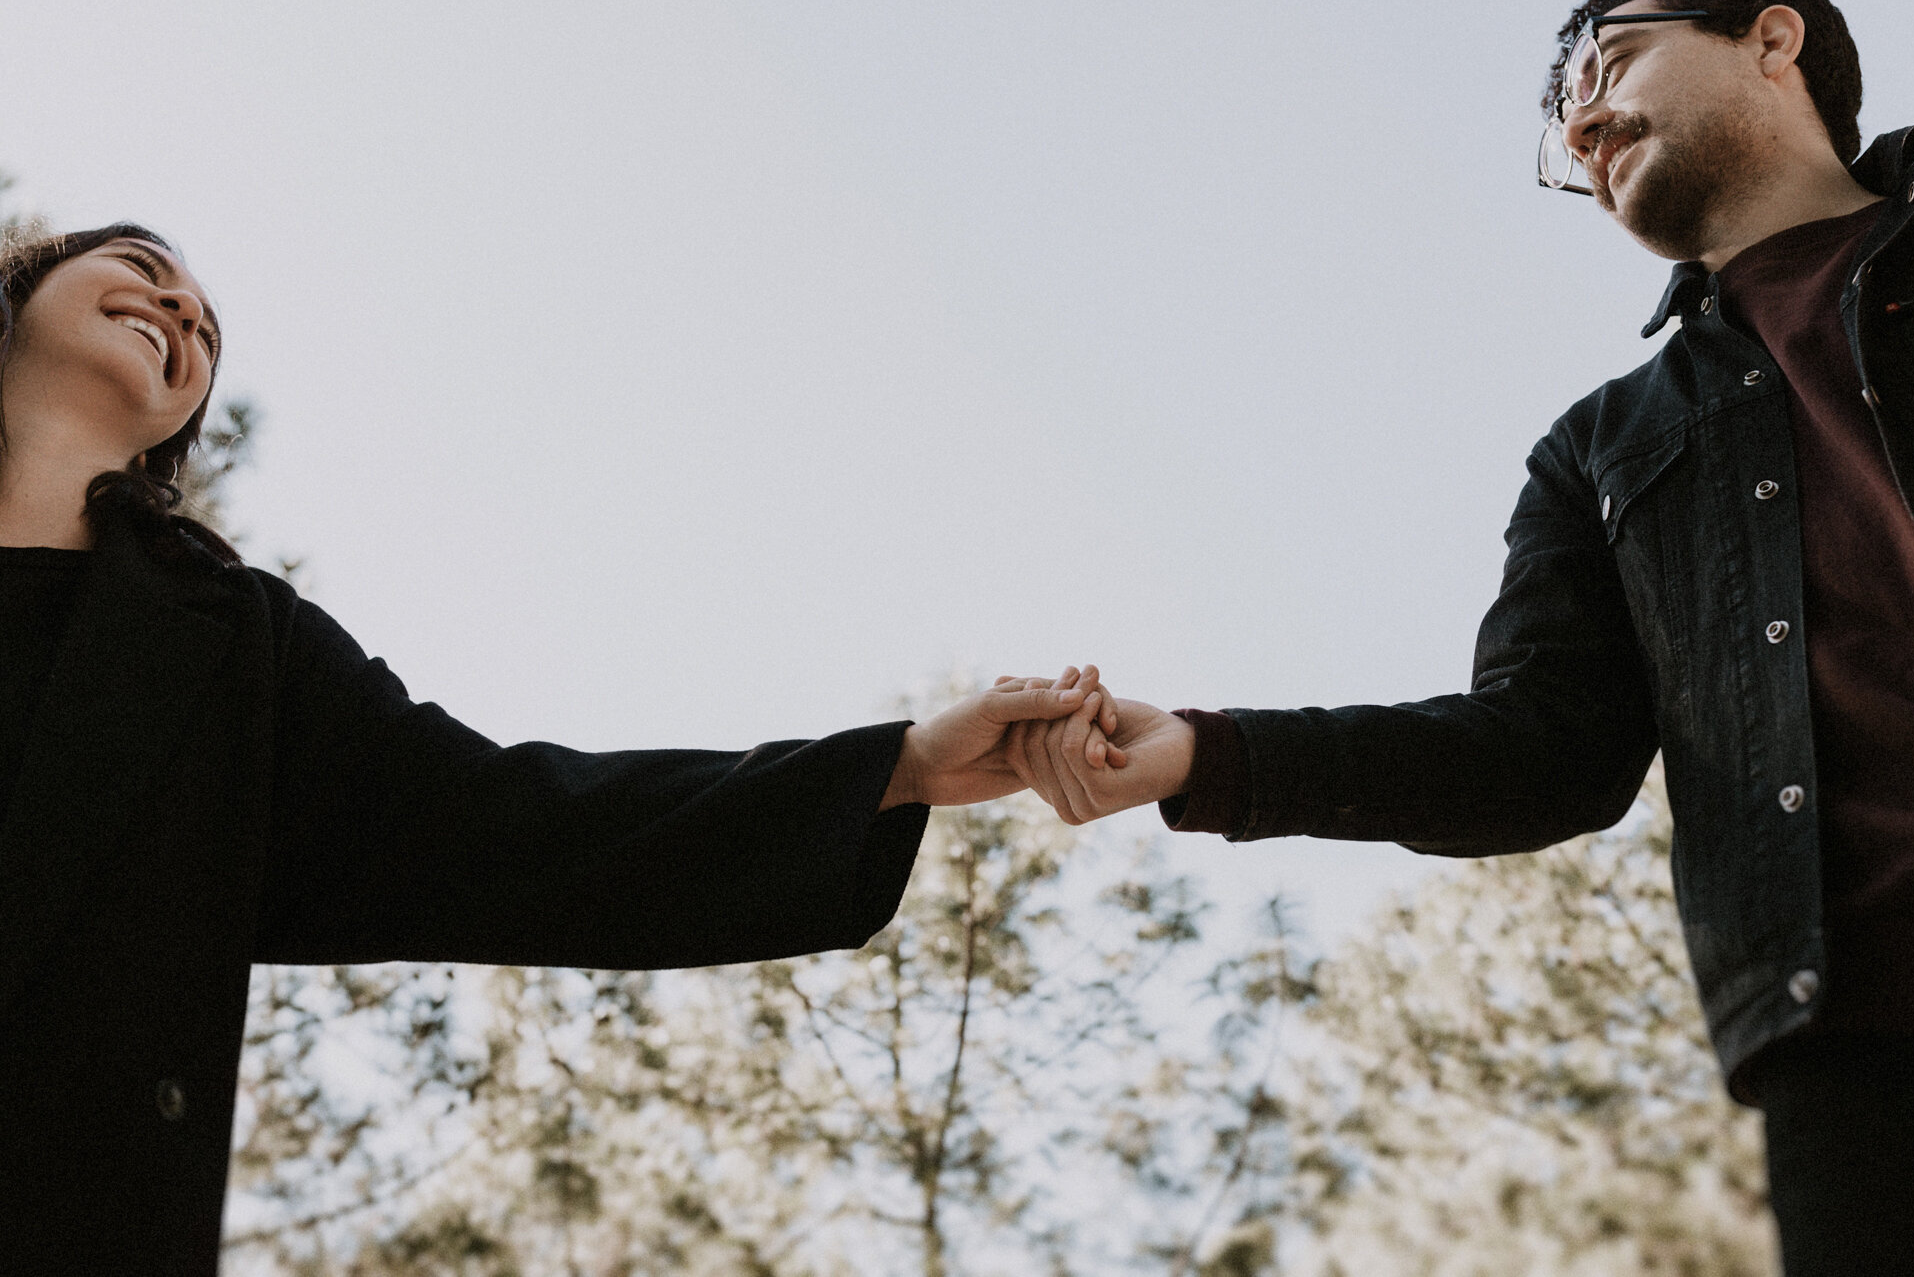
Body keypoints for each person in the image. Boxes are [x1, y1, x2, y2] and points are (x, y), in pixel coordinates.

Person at [1006, 0, 1914, 1274]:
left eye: (1609, 67)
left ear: (1772, 41)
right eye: (1567, 119)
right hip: (1878, 1085)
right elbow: (1540, 749)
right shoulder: (1604, 449)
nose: (1584, 125)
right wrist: (1206, 751)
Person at [0, 221, 1116, 1273]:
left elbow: (519, 828)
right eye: (143, 265)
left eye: (203, 323)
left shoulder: (236, 652)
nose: (182, 307)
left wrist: (897, 767)